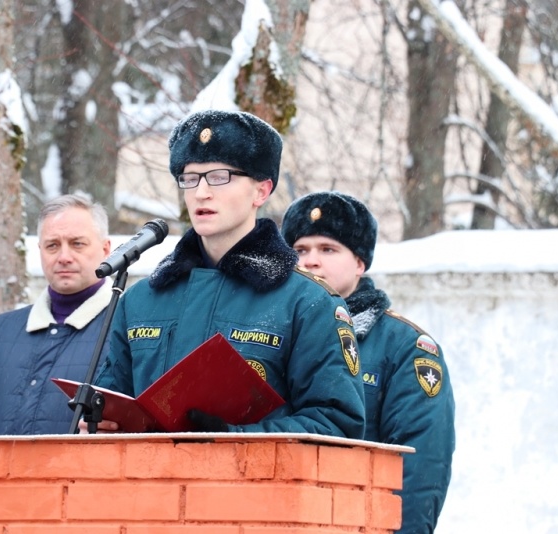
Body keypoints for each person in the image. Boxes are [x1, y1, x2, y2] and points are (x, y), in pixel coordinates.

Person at [86, 110, 365, 436]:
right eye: (190, 178)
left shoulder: (306, 302)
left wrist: (234, 438)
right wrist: (101, 424)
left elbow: (336, 424)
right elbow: (112, 405)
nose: (201, 192)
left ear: (261, 191)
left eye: (219, 177)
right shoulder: (141, 300)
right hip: (151, 485)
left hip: (256, 486)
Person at [281, 191, 455, 533]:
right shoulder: (270, 335)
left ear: (360, 263)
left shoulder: (405, 347)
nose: (311, 261)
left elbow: (419, 467)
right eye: (300, 250)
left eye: (328, 249)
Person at [0, 193, 113, 435]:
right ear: (40, 250)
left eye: (77, 243)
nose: (64, 257)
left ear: (105, 249)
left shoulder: (128, 328)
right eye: (52, 245)